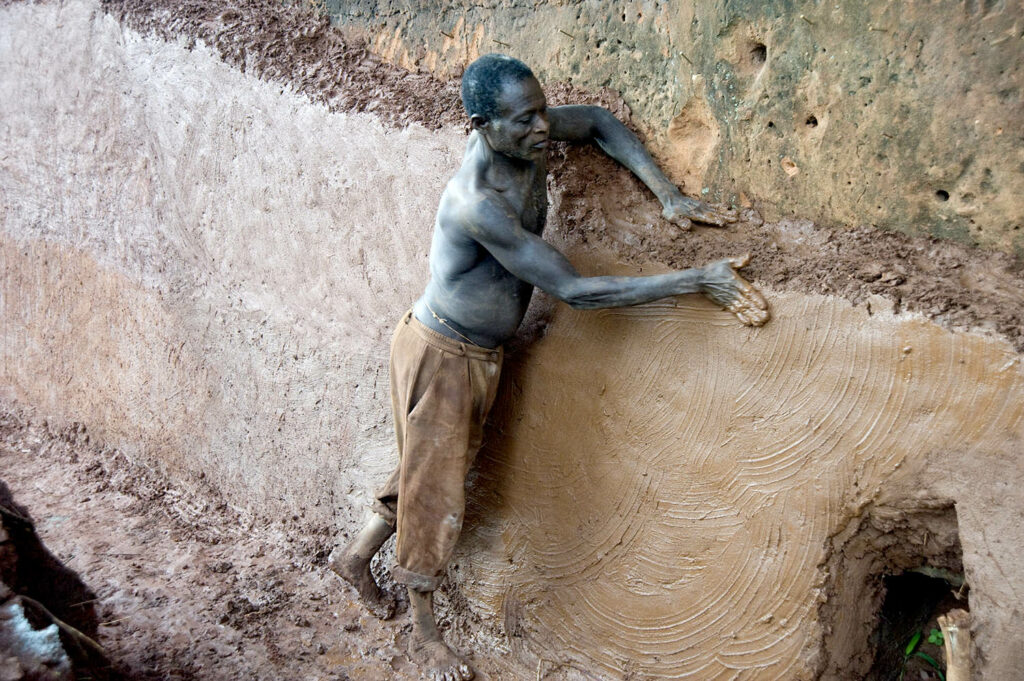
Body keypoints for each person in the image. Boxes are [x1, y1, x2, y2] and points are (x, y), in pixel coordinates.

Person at [330, 54, 769, 681]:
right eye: (525, 120)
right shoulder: (478, 203)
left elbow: (592, 121)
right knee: (437, 485)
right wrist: (698, 280)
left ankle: (355, 556)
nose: (543, 128)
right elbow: (577, 292)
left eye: (541, 111)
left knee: (429, 462)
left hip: (474, 352)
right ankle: (426, 633)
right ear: (482, 124)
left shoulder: (525, 134)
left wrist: (667, 195)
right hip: (445, 353)